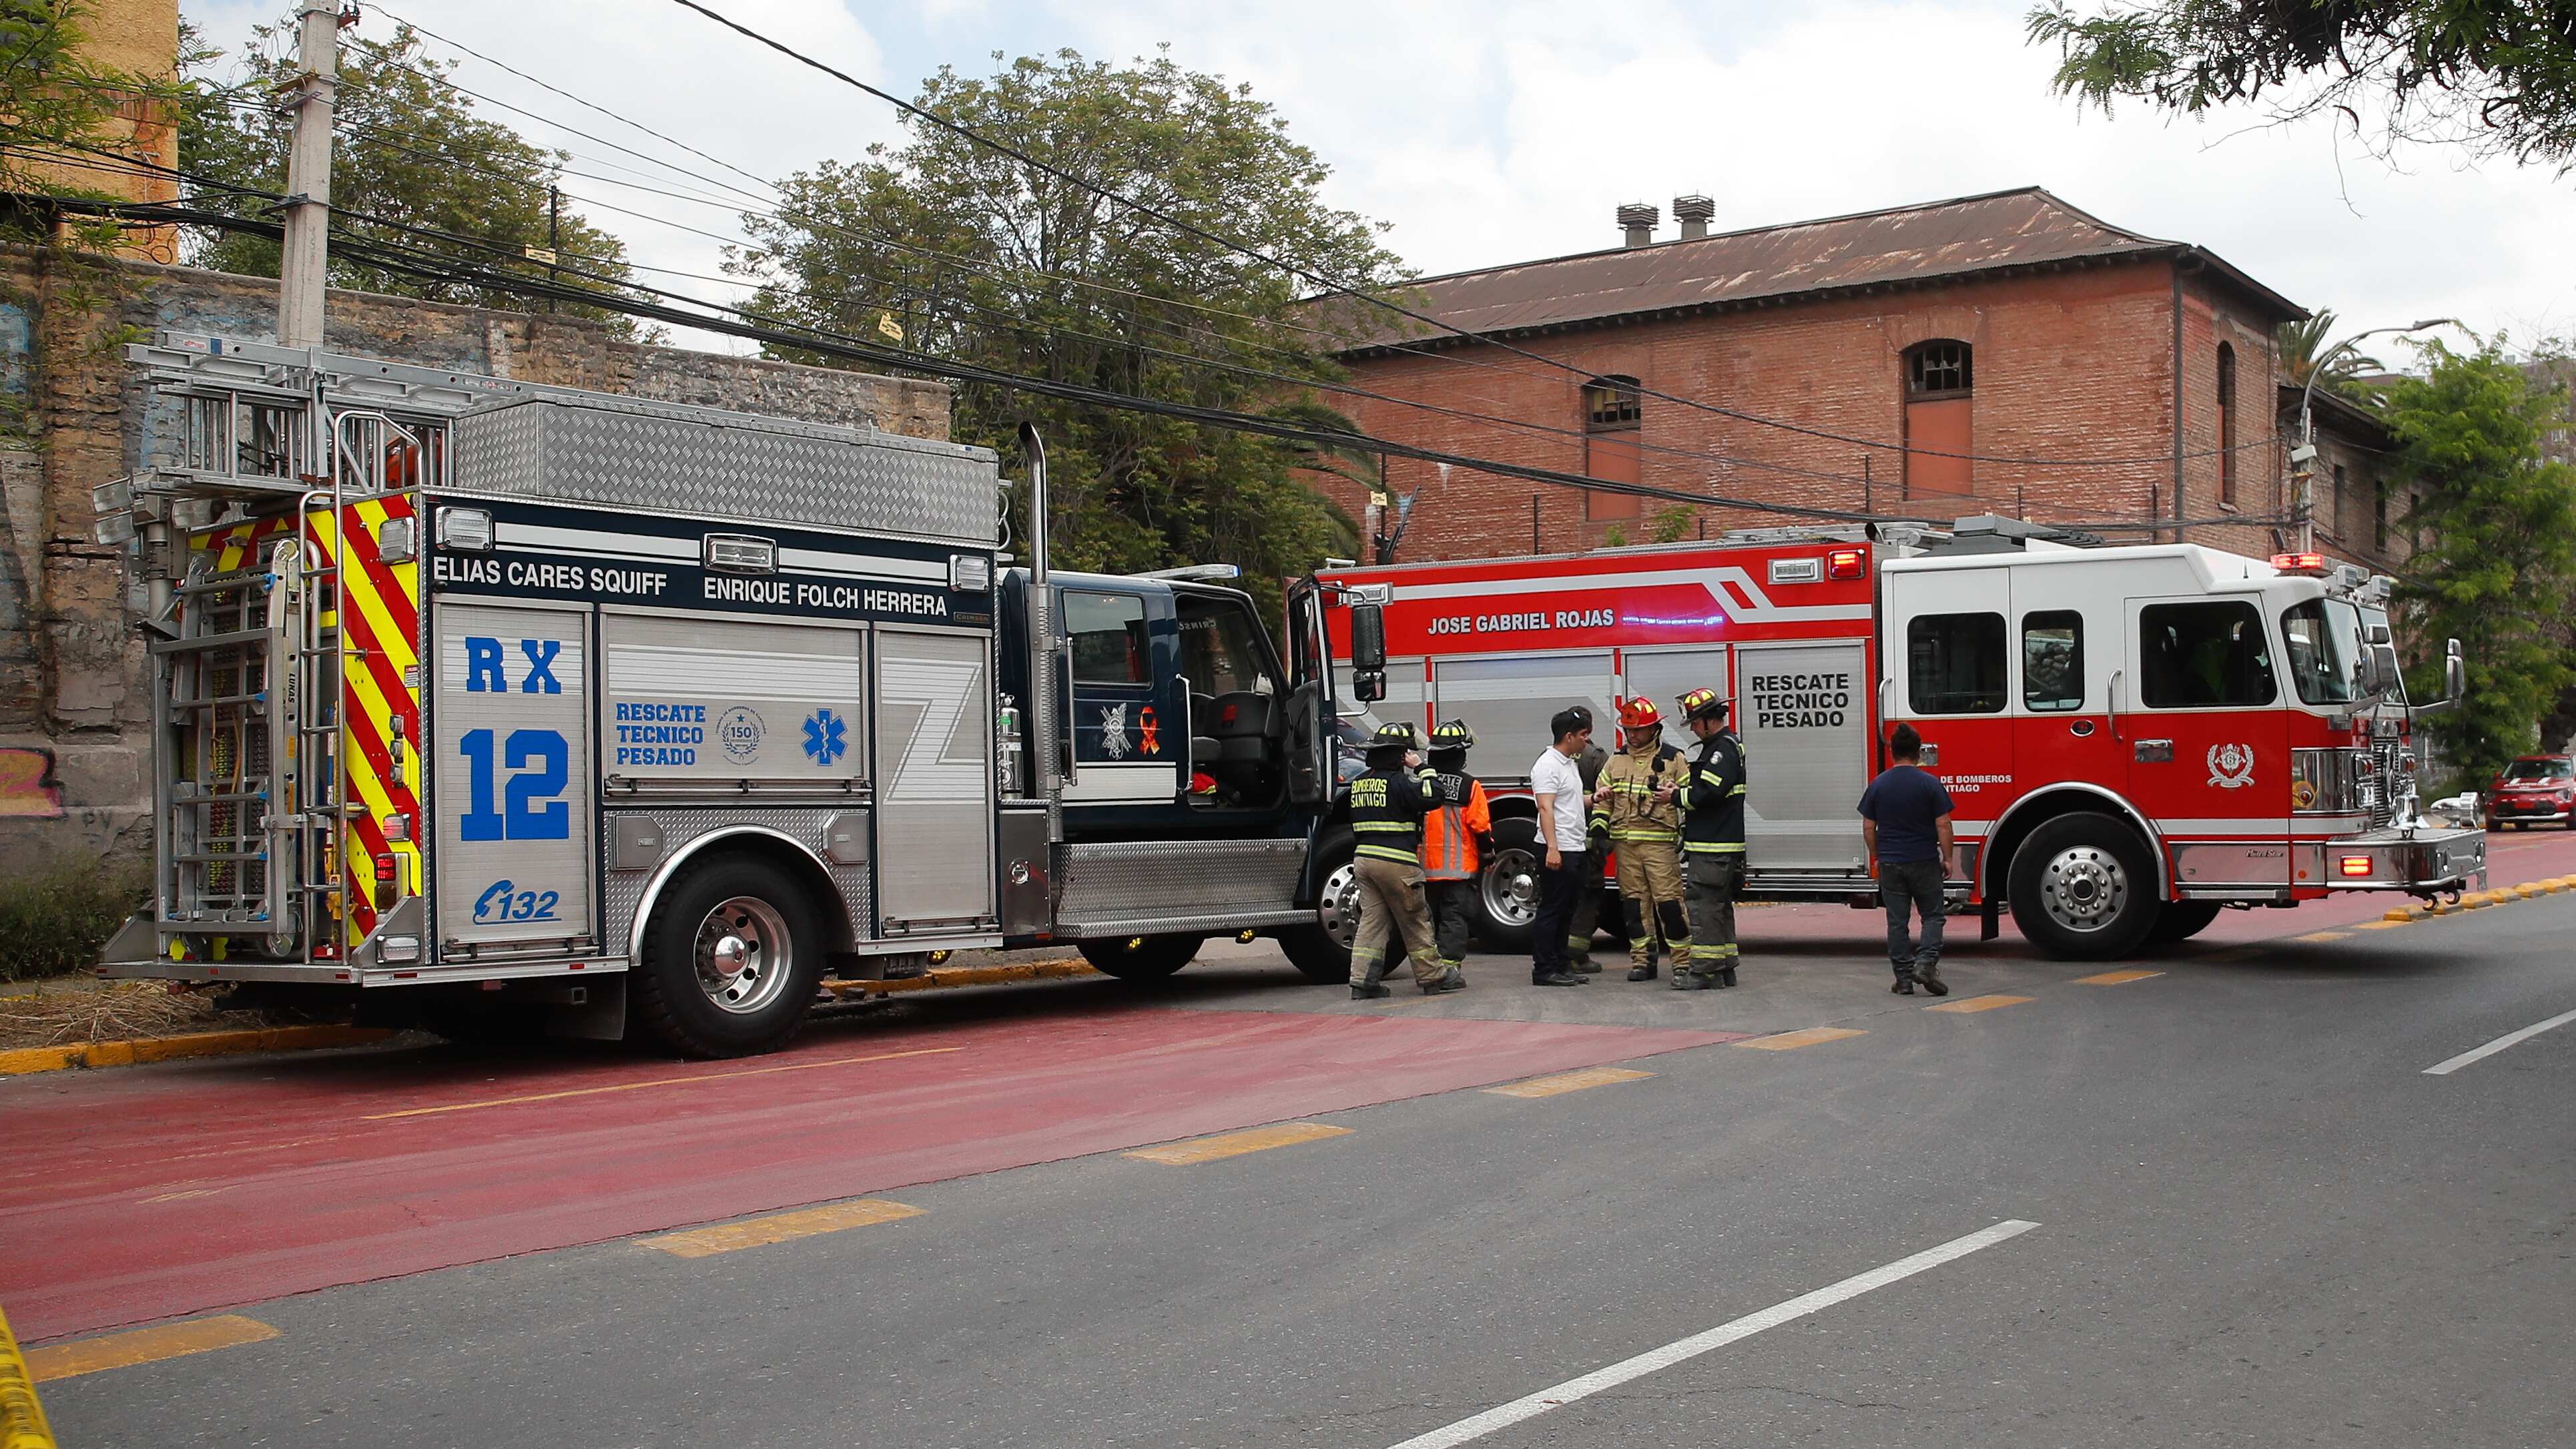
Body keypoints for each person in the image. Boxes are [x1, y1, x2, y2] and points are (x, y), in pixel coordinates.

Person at [1345, 722, 1458, 999]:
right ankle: (1433, 978)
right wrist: (1421, 767)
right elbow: (1435, 795)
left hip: (1364, 861)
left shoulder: (1359, 783)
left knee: (1372, 921)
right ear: (1398, 756)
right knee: (1415, 920)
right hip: (1397, 863)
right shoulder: (1400, 783)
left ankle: (1362, 982)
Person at [1591, 696, 1691, 982]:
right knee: (1634, 907)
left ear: (1654, 729)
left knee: (1670, 905)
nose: (1632, 735)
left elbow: (1693, 799)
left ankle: (1682, 963)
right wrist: (1599, 830)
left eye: (1638, 730)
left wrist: (1680, 806)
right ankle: (1642, 962)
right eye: (1628, 730)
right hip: (1626, 847)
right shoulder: (1616, 761)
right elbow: (1602, 800)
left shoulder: (1674, 759)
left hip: (1660, 845)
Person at [1858, 723, 1955, 996]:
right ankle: (1925, 964)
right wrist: (1947, 858)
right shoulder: (1930, 784)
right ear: (1918, 753)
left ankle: (1903, 979)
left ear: (1893, 754)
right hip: (1924, 860)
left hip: (1891, 863)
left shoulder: (1878, 785)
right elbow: (1944, 824)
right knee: (1933, 915)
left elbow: (1868, 826)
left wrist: (1878, 855)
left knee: (1897, 922)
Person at [1661, 686, 1745, 989]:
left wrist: (1674, 796)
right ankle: (1724, 967)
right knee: (1718, 908)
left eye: (1696, 722)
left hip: (1714, 847)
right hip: (1717, 846)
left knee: (1703, 908)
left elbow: (1708, 793)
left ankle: (1705, 972)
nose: (1693, 728)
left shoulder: (1721, 749)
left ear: (1710, 720)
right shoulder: (1721, 747)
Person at [1419, 719, 1494, 982]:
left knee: (1426, 922)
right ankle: (1449, 972)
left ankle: (1427, 971)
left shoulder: (1421, 782)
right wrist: (1488, 856)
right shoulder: (1469, 786)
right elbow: (1481, 827)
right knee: (1455, 920)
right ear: (1461, 754)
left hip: (1423, 870)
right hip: (1458, 871)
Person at [1527, 707, 1595, 988]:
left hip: (1573, 846)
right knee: (1552, 910)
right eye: (1583, 735)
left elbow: (1569, 803)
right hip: (1559, 848)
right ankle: (1544, 969)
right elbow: (1546, 807)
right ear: (1569, 736)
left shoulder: (1568, 763)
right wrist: (1553, 849)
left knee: (1567, 909)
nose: (1587, 740)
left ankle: (1561, 964)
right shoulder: (1548, 765)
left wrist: (1595, 799)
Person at [1566, 704, 1610, 974]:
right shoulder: (1597, 757)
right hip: (1590, 842)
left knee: (1565, 897)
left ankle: (1562, 952)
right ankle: (1577, 955)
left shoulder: (1556, 757)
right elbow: (1607, 801)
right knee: (1590, 897)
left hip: (1564, 841)